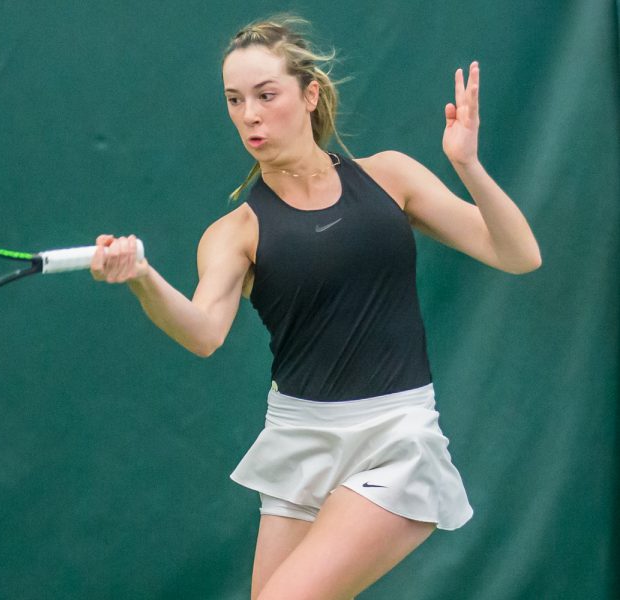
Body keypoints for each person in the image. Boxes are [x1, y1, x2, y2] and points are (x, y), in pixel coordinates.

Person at [90, 15, 541, 600]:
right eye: (234, 99)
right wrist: (143, 277)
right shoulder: (235, 232)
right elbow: (203, 333)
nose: (248, 114)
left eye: (265, 94)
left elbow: (518, 253)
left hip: (395, 434)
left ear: (310, 96)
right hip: (299, 439)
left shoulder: (391, 177)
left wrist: (468, 166)